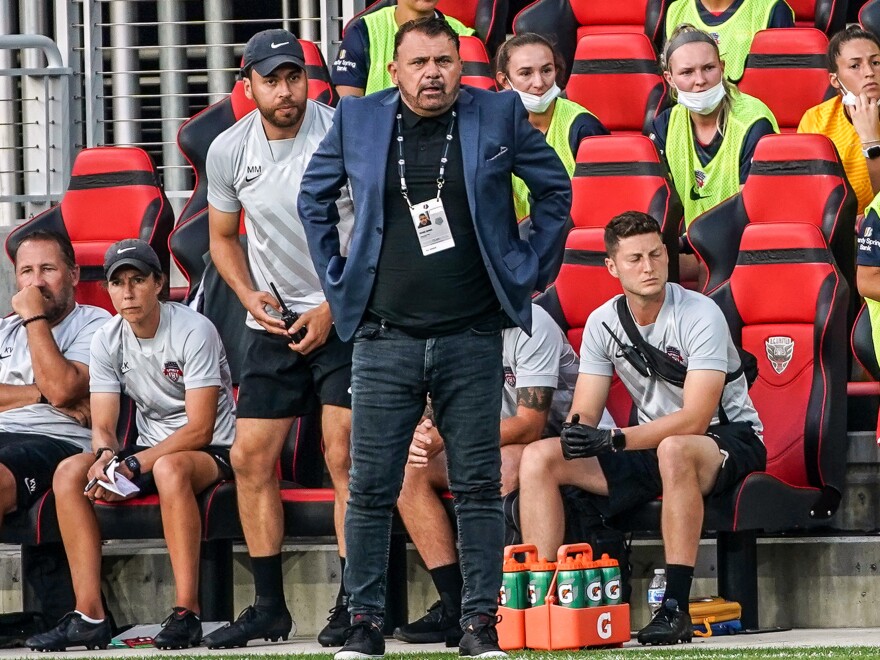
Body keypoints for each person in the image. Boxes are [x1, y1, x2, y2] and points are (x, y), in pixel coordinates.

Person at [298, 17, 571, 659]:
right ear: (394, 69)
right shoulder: (358, 119)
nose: (433, 74)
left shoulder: (499, 113)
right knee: (370, 484)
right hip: (383, 334)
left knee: (476, 484)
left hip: (473, 332)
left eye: (445, 61)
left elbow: (555, 192)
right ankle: (365, 622)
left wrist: (526, 267)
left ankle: (480, 623)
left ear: (460, 64)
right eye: (419, 62)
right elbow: (314, 200)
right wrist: (338, 284)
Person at [517, 211, 765, 646]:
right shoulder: (601, 322)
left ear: (668, 256)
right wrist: (577, 434)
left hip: (728, 438)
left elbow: (696, 418)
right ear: (612, 267)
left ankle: (675, 607)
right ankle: (543, 602)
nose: (648, 267)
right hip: (649, 442)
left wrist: (615, 439)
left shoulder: (700, 313)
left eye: (655, 255)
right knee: (541, 456)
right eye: (634, 259)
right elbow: (586, 411)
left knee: (674, 448)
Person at [202, 29, 356, 649]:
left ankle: (355, 602)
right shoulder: (227, 150)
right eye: (271, 79)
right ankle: (269, 607)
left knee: (344, 455)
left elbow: (373, 228)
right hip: (272, 318)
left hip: (343, 313)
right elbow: (221, 237)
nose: (285, 89)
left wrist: (331, 305)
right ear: (249, 86)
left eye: (293, 76)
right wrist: (245, 295)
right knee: (248, 458)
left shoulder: (340, 133)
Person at [26, 240, 236, 652]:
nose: (128, 292)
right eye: (118, 283)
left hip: (212, 449)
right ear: (107, 289)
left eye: (138, 280)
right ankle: (89, 615)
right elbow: (103, 425)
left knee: (169, 469)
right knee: (71, 471)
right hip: (147, 452)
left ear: (159, 283)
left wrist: (134, 465)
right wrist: (106, 457)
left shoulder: (195, 329)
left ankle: (186, 613)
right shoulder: (108, 337)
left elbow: (200, 428)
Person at [393, 303, 596, 645]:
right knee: (410, 470)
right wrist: (422, 433)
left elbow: (530, 426)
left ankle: (502, 602)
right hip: (486, 441)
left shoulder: (531, 324)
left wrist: (454, 436)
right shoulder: (448, 325)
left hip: (557, 445)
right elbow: (434, 407)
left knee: (505, 464)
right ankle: (455, 604)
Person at [0, 231, 109, 529]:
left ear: (74, 275)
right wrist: (40, 396)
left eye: (47, 269)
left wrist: (34, 317)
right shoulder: (4, 329)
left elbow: (62, 389)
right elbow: (53, 395)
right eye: (27, 271)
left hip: (55, 440)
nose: (36, 282)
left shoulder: (97, 325)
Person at [651, 24, 778, 229]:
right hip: (689, 245)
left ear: (722, 67)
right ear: (670, 79)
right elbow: (658, 205)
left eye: (708, 68)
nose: (700, 80)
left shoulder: (753, 121)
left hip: (743, 242)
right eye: (687, 72)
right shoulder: (664, 126)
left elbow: (753, 210)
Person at [494, 33, 609, 225]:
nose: (539, 83)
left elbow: (605, 199)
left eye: (546, 70)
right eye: (525, 73)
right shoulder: (494, 130)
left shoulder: (584, 127)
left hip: (574, 239)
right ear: (505, 81)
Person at [798, 25, 880, 215]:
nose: (869, 72)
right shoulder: (816, 119)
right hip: (836, 227)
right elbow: (809, 192)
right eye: (855, 66)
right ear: (835, 80)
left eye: (876, 62)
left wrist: (871, 140)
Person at [331, 0, 475, 97]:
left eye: (443, 61)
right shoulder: (364, 30)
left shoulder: (466, 36)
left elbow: (474, 107)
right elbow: (349, 112)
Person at [663, 0, 794, 82]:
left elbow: (783, 83)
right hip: (692, 113)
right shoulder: (675, 10)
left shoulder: (772, 8)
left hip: (748, 113)